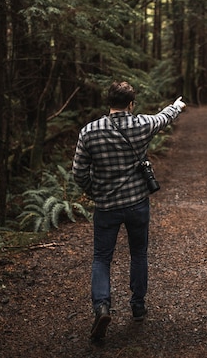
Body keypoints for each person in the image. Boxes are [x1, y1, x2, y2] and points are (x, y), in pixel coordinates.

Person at [72, 81, 186, 341]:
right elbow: (164, 117)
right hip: (137, 203)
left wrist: (95, 191)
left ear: (108, 103)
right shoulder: (142, 124)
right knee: (138, 253)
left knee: (102, 258)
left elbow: (78, 173)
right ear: (131, 104)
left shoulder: (89, 131)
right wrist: (177, 105)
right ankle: (138, 306)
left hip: (106, 207)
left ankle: (102, 306)